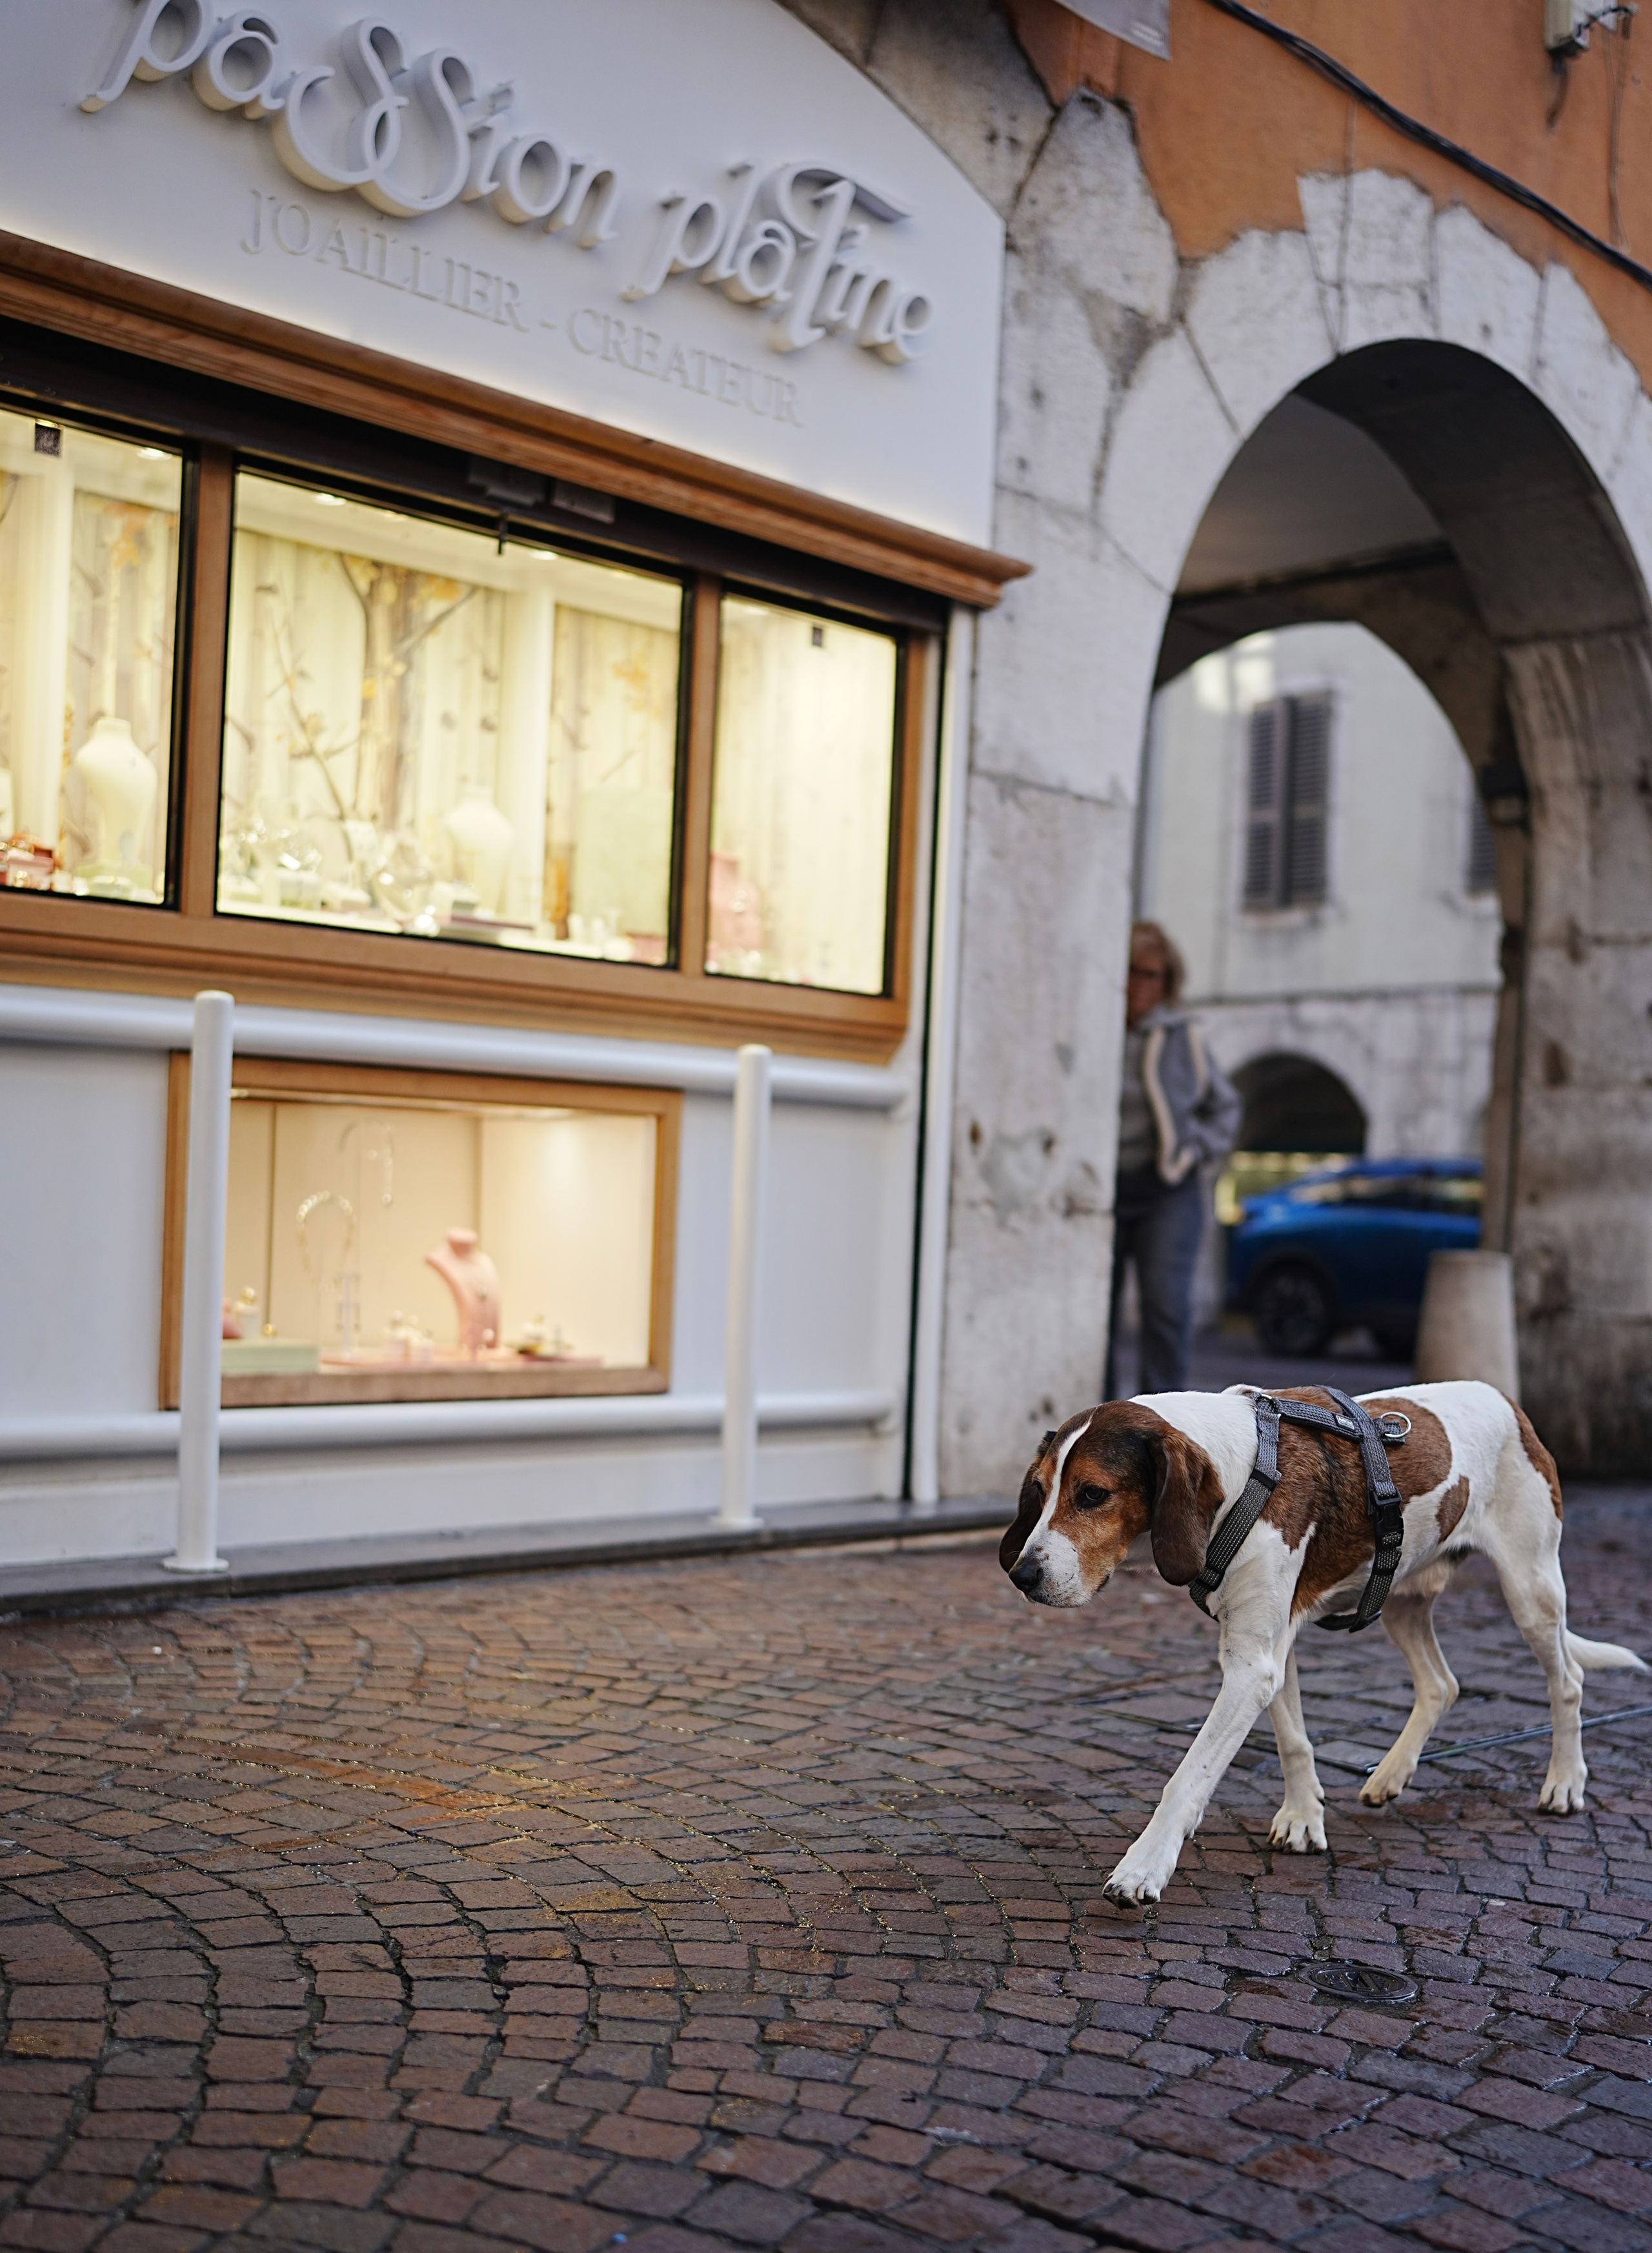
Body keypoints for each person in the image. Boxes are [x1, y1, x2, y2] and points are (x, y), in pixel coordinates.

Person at [1105, 920, 1242, 1399]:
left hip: (1166, 1187)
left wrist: (1193, 1152)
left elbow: (1225, 1107)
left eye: (1152, 975)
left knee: (1165, 1308)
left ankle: (1158, 1418)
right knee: (1095, 1310)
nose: (1139, 984)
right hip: (1102, 1188)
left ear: (1167, 981)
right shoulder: (1094, 1026)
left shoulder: (1183, 1035)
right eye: (1131, 971)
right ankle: (1097, 1421)